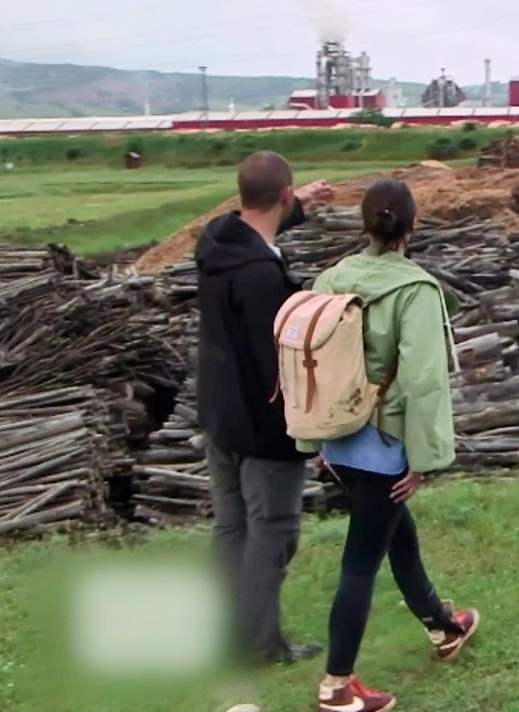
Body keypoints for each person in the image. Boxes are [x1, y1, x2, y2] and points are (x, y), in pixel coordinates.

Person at [297, 180, 479, 712]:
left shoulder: (330, 277)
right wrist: (421, 461)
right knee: (360, 562)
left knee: (400, 539)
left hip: (340, 441)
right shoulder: (415, 291)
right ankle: (336, 686)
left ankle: (445, 628)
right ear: (412, 227)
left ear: (365, 225)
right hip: (384, 446)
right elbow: (424, 382)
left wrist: (315, 440)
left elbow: (309, 362)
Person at [195, 150, 335, 666]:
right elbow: (278, 367)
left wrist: (300, 204)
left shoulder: (215, 241)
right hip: (261, 427)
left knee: (231, 529)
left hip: (219, 415)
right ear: (281, 194)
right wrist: (310, 430)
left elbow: (258, 225)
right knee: (272, 531)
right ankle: (258, 646)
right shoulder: (260, 278)